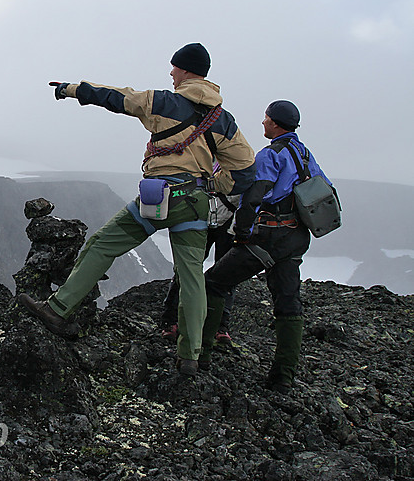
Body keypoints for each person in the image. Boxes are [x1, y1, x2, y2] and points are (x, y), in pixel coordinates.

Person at [17, 43, 256, 376]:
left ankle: (59, 308)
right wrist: (214, 185)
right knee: (191, 278)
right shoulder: (223, 119)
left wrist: (70, 89)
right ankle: (191, 354)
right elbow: (246, 169)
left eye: (174, 68)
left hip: (160, 197)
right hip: (197, 203)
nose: (171, 73)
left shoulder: (163, 102)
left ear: (186, 70)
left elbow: (115, 97)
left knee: (104, 243)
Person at [200, 99, 333, 392]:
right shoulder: (305, 153)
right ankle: (282, 379)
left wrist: (242, 234)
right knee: (288, 303)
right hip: (297, 239)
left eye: (265, 118)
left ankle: (202, 358)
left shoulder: (270, 155)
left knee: (213, 283)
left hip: (269, 236)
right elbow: (326, 189)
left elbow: (254, 196)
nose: (262, 123)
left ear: (274, 122)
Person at [160, 188, 239, 344]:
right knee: (192, 268)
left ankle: (172, 322)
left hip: (213, 213)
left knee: (221, 272)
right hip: (209, 213)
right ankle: (216, 326)